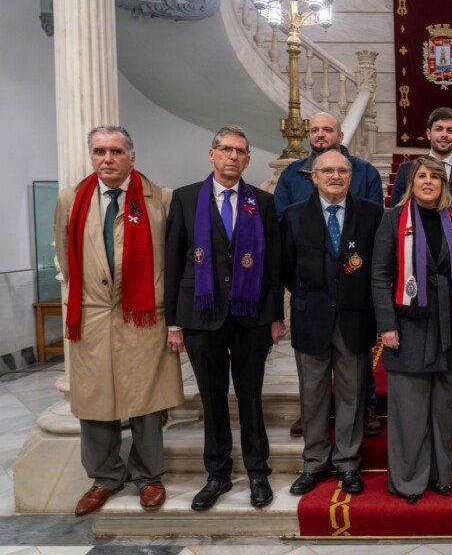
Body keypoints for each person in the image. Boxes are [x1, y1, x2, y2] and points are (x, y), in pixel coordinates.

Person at [55, 125, 184, 517]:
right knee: (95, 401)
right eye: (98, 151)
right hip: (92, 315)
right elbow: (65, 254)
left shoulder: (159, 197)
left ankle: (149, 476)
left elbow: (173, 259)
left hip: (144, 313)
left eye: (115, 151)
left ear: (132, 157)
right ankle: (105, 477)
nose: (106, 159)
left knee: (145, 400)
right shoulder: (71, 199)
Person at [165, 125, 284, 511]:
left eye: (240, 151)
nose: (233, 156)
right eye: (226, 149)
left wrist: (276, 316)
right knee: (212, 400)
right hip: (201, 316)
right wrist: (173, 322)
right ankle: (216, 474)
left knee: (250, 397)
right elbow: (173, 261)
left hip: (250, 318)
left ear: (248, 160)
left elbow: (273, 266)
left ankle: (258, 473)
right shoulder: (184, 199)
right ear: (212, 154)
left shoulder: (262, 203)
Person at [274, 111, 383, 438]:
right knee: (314, 384)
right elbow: (284, 246)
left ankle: (365, 409)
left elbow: (374, 233)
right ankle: (314, 444)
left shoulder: (365, 173)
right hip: (312, 299)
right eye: (315, 130)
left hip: (354, 291)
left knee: (355, 379)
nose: (320, 135)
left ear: (340, 135)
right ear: (313, 177)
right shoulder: (292, 176)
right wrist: (309, 285)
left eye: (327, 130)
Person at [371, 157, 452, 504]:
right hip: (408, 326)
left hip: (451, 327)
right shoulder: (392, 219)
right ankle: (409, 479)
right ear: (410, 183)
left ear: (444, 184)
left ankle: (442, 475)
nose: (428, 182)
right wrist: (386, 325)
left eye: (435, 177)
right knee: (409, 412)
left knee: (446, 410)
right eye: (421, 176)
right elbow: (380, 275)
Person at [390, 107, 452, 223]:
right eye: (439, 129)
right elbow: (394, 216)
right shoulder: (406, 170)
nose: (444, 134)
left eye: (450, 130)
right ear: (429, 133)